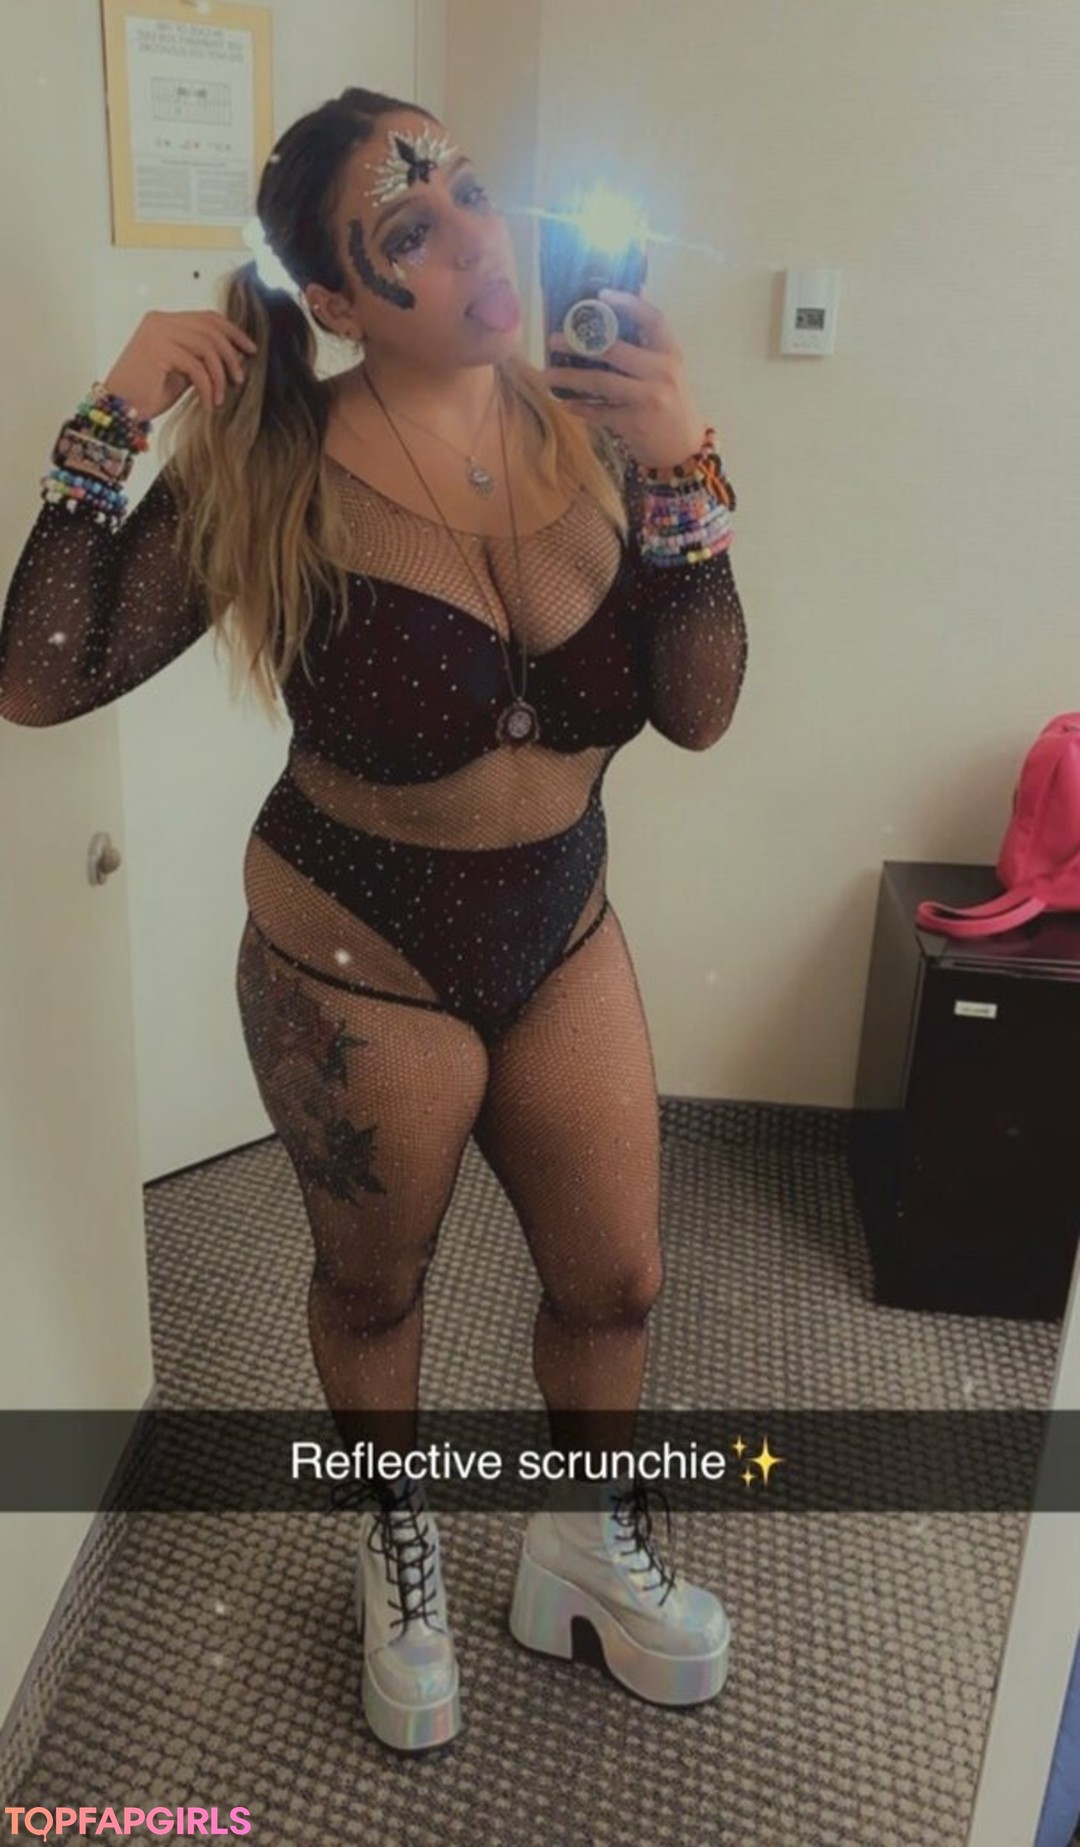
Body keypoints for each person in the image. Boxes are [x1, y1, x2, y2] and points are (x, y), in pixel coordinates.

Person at [0, 87, 748, 1756]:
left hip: (562, 932)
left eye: (470, 191)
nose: (479, 238)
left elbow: (697, 711)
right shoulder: (274, 468)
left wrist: (687, 458)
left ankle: (582, 1539)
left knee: (619, 1282)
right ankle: (391, 1540)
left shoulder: (597, 421)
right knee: (375, 1287)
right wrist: (114, 417)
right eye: (413, 228)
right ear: (336, 298)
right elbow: (40, 678)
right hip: (359, 959)